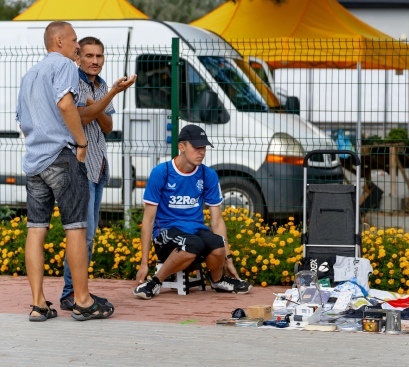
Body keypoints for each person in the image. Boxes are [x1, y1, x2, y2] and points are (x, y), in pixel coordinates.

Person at [16, 21, 114, 321]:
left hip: (33, 161)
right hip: (61, 156)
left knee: (36, 229)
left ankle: (38, 304)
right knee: (76, 228)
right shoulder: (65, 66)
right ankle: (82, 300)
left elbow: (21, 119)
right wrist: (81, 142)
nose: (77, 46)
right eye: (73, 40)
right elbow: (66, 104)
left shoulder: (30, 74)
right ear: (58, 41)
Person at [59, 36, 136, 311]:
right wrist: (111, 95)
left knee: (87, 235)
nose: (94, 61)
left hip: (98, 167)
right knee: (81, 235)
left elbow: (107, 125)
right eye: (89, 56)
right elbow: (83, 117)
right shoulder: (74, 81)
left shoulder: (99, 85)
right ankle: (71, 293)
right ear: (78, 57)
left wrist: (100, 101)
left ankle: (80, 291)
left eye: (99, 56)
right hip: (79, 168)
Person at [134, 124, 252, 299]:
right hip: (166, 233)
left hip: (195, 233)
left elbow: (217, 221)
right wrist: (144, 262)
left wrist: (228, 259)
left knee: (218, 244)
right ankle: (154, 282)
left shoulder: (208, 175)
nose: (201, 152)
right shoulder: (162, 172)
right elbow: (149, 220)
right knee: (193, 244)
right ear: (182, 147)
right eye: (196, 147)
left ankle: (218, 281)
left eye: (203, 147)